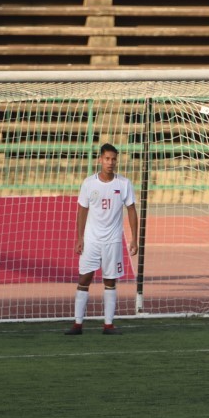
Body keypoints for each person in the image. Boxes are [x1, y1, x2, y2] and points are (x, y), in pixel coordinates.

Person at [66, 143, 139, 335]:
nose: (110, 162)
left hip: (113, 240)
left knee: (110, 280)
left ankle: (108, 324)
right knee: (85, 278)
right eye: (107, 158)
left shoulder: (123, 183)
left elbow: (132, 210)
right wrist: (79, 238)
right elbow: (82, 211)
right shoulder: (89, 183)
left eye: (113, 159)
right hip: (91, 240)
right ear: (100, 159)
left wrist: (134, 238)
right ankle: (78, 324)